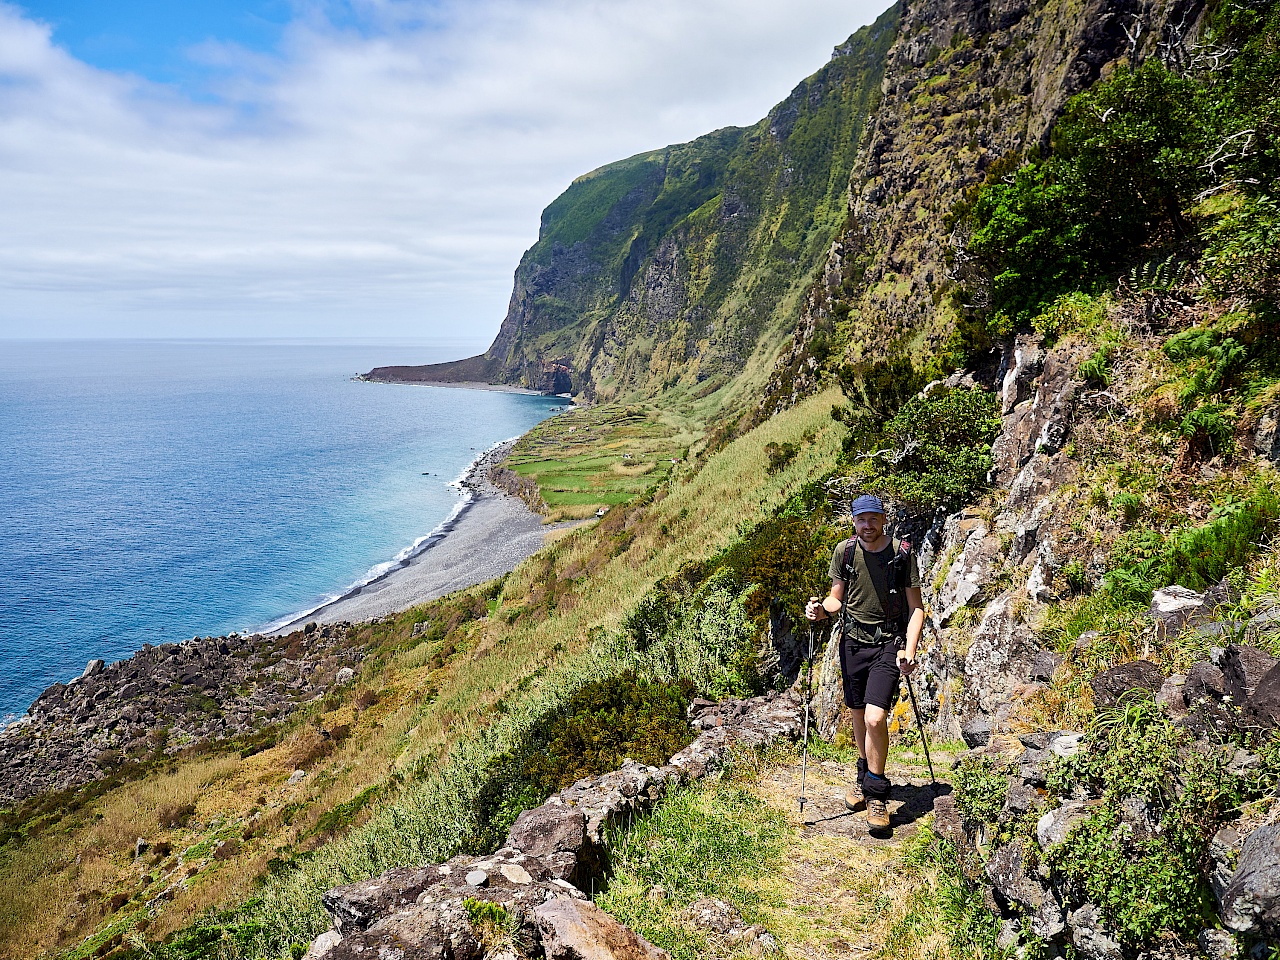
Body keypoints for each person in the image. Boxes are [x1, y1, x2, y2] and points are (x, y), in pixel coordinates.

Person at [805, 494, 923, 834]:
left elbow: (916, 608)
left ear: (883, 519)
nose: (867, 525)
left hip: (889, 643)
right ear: (853, 521)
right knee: (857, 713)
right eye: (861, 519)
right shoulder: (844, 552)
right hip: (853, 642)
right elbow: (835, 597)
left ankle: (876, 793)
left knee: (875, 716)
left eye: (873, 518)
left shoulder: (901, 554)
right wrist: (821, 610)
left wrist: (910, 650)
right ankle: (864, 771)